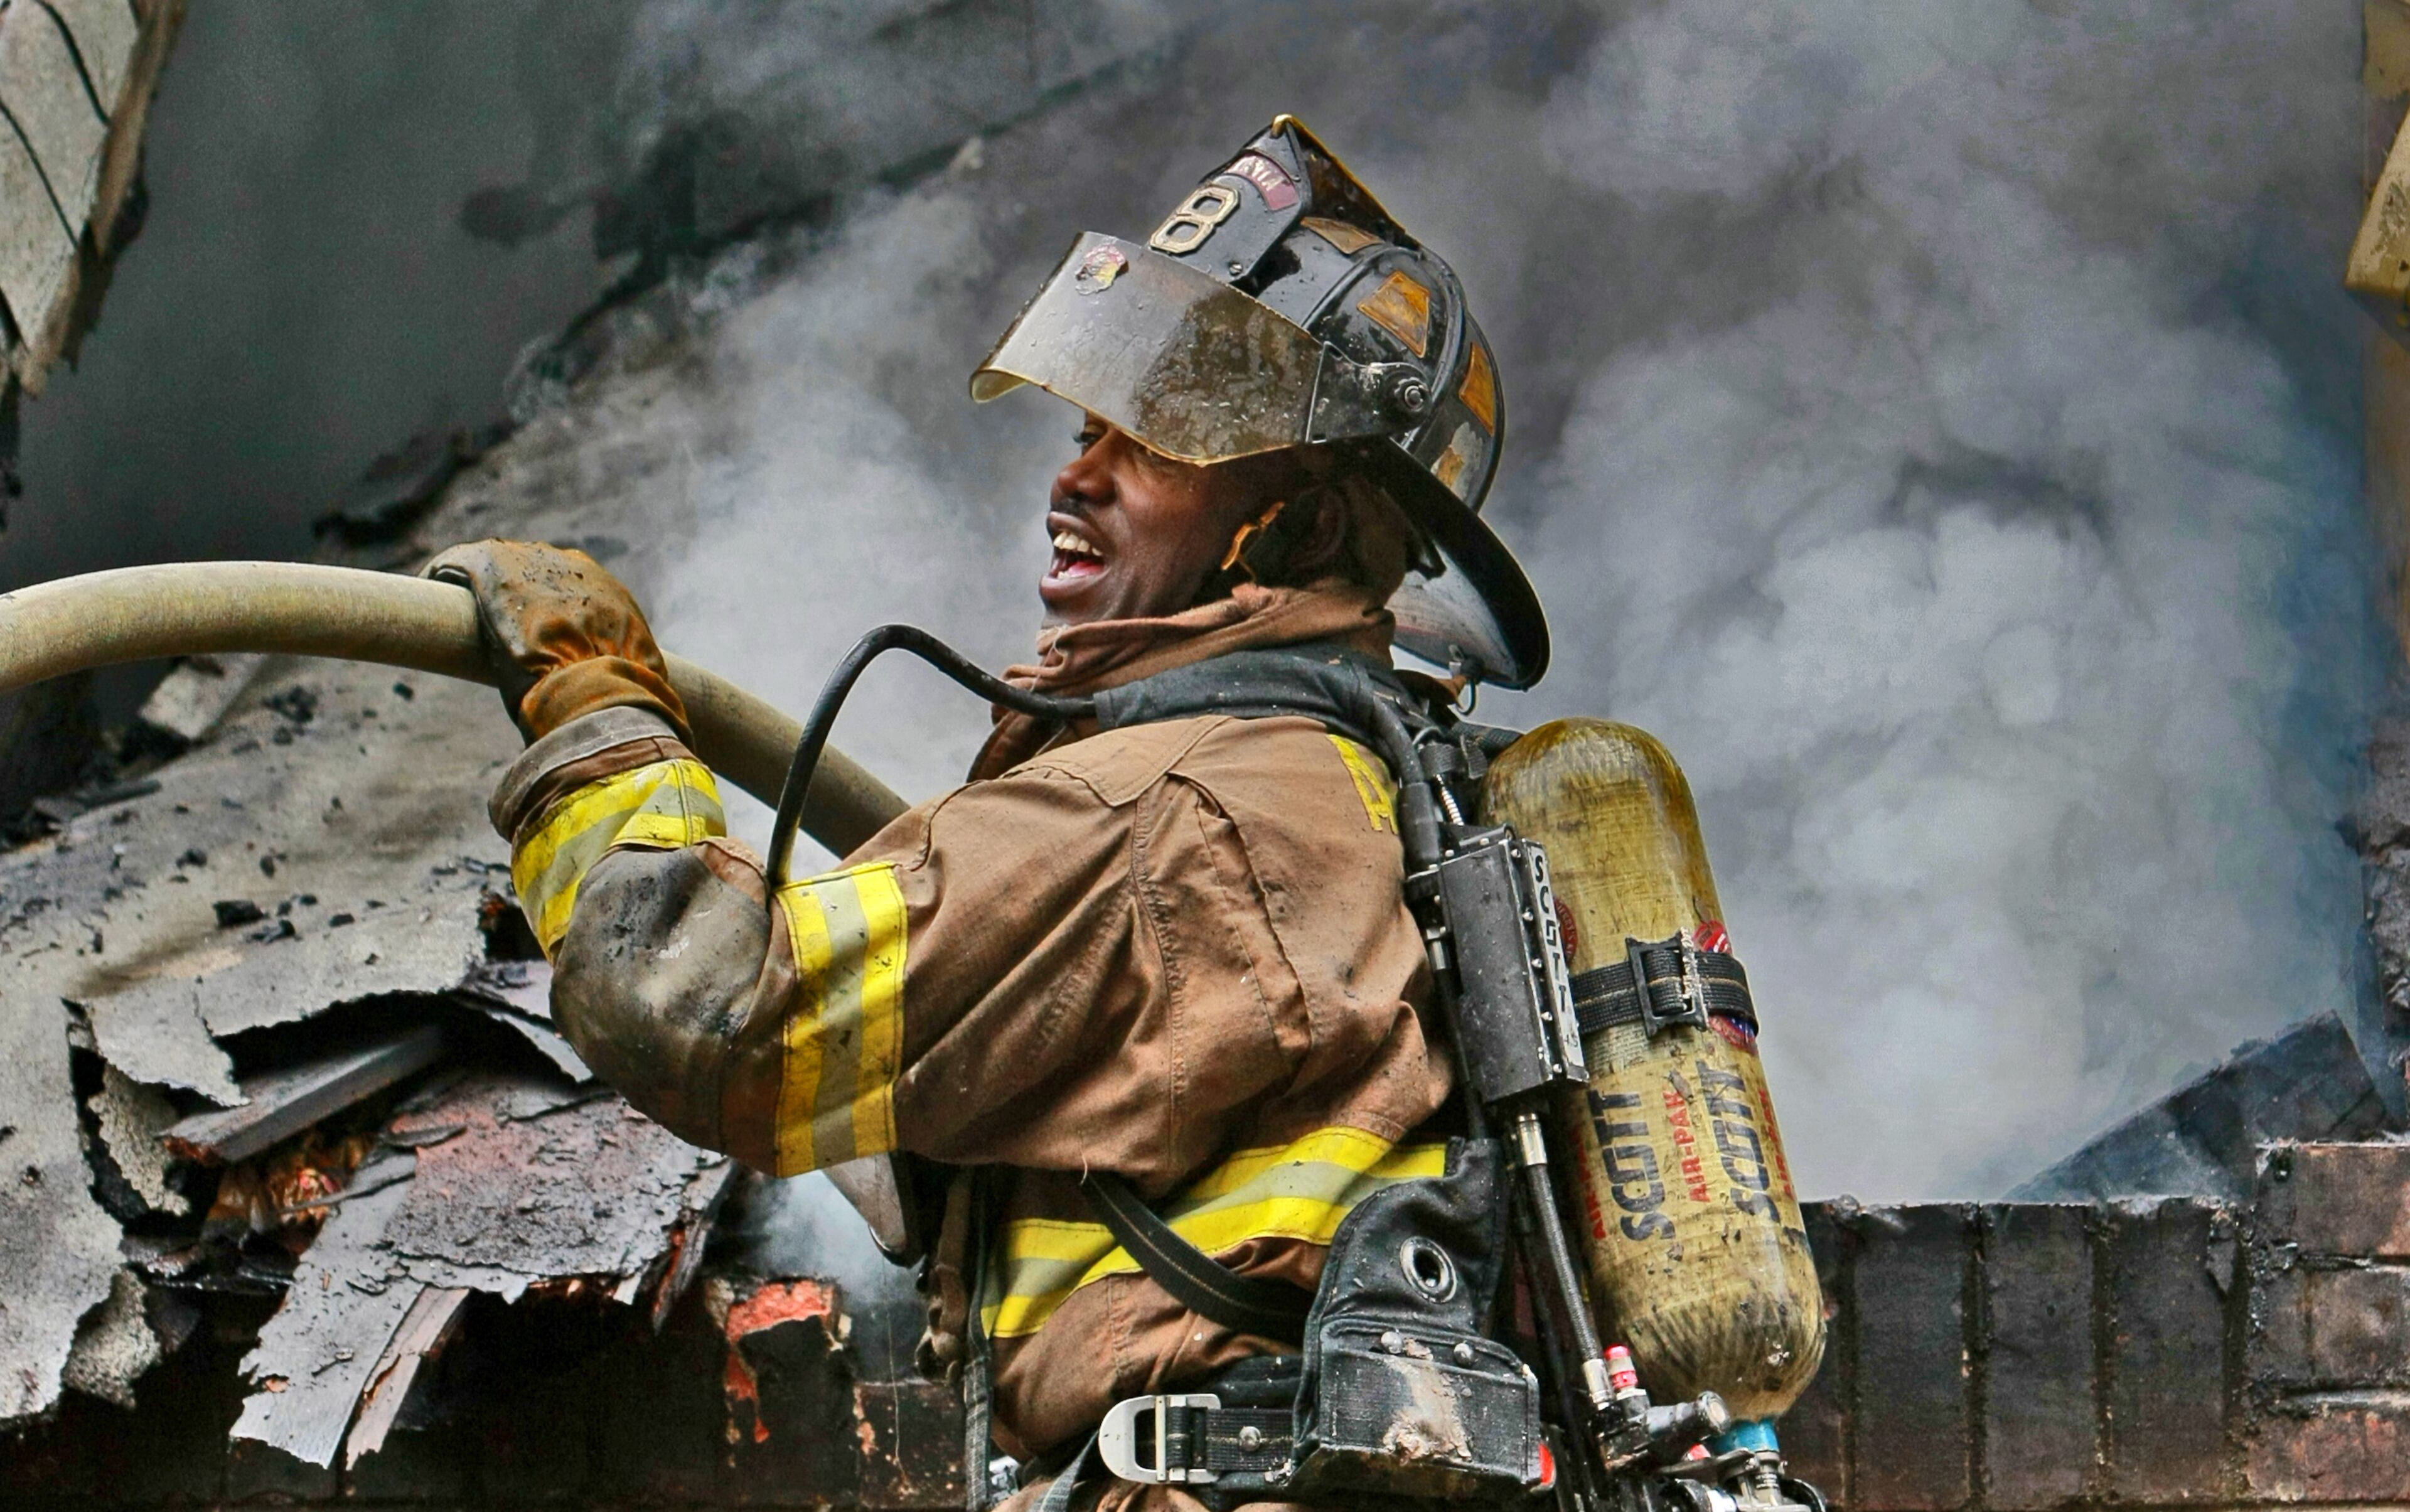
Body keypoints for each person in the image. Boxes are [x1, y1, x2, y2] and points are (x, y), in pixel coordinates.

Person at [429, 116, 1548, 1511]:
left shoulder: (1167, 808)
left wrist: (593, 710)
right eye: (1089, 423)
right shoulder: (1359, 778)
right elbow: (956, 1132)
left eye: (1153, 439)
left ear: (1305, 530)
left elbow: (690, 1001)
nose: (1074, 477)